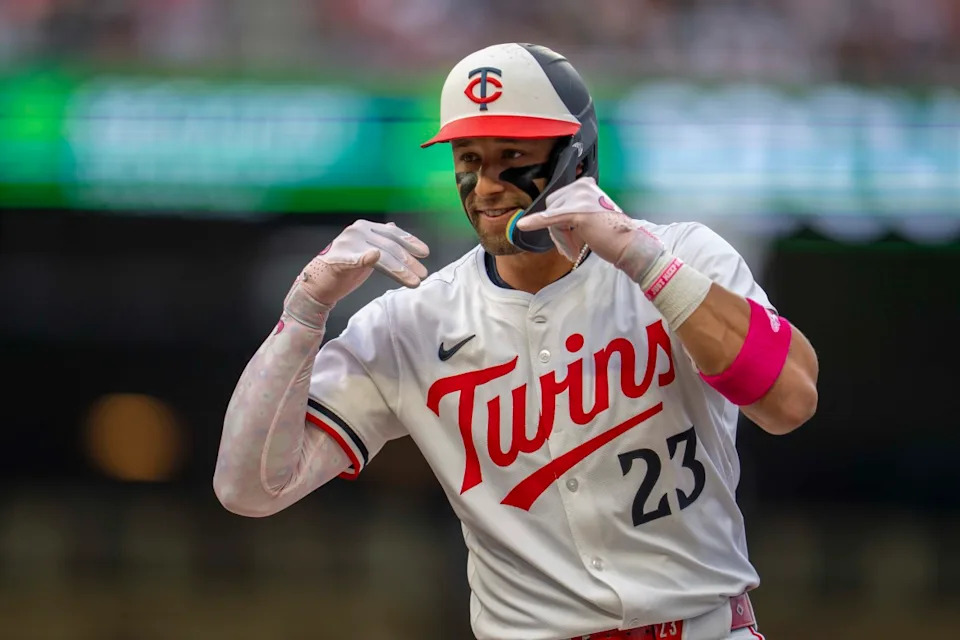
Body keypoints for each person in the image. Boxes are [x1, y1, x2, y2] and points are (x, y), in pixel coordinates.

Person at [214, 43, 819, 640]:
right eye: (470, 158)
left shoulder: (681, 256)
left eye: (512, 156)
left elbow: (789, 400)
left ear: (575, 157)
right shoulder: (409, 321)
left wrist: (645, 263)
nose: (487, 185)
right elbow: (250, 488)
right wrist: (304, 311)